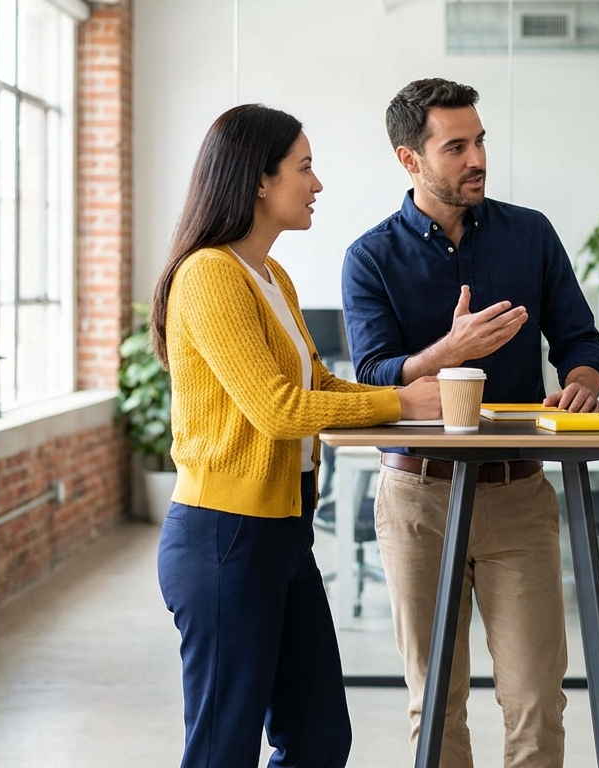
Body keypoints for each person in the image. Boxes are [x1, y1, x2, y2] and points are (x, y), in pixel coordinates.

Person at [152, 104, 441, 768]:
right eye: (304, 167)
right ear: (259, 179)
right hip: (224, 535)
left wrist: (409, 403)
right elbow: (279, 410)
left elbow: (318, 383)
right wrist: (399, 400)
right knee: (222, 749)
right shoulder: (209, 275)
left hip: (283, 533)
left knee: (317, 737)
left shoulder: (271, 277)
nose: (317, 184)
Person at [341, 78, 599, 768]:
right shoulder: (369, 257)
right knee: (435, 704)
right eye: (455, 146)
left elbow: (580, 342)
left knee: (536, 703)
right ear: (410, 159)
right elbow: (373, 372)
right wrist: (446, 354)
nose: (476, 157)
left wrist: (581, 381)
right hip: (417, 500)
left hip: (519, 497)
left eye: (479, 140)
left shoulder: (532, 234)